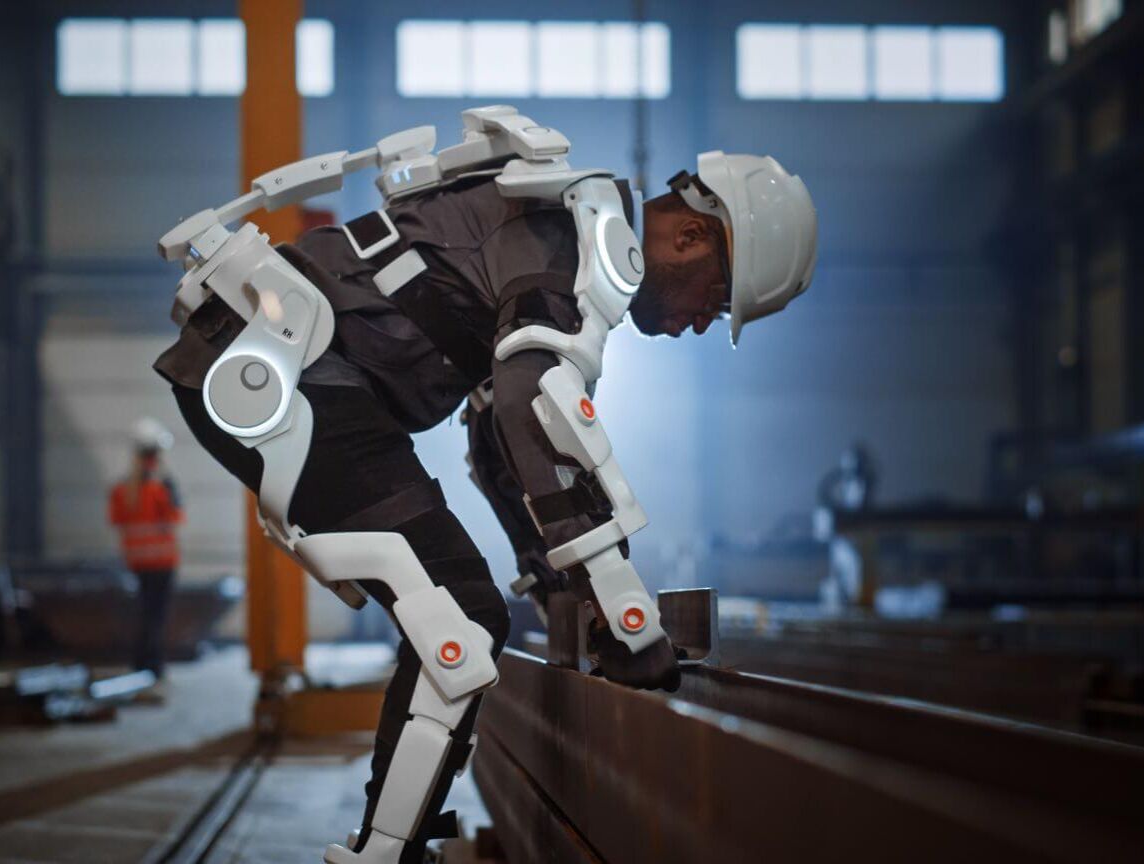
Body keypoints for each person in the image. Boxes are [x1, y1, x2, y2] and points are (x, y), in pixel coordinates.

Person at [153, 107, 816, 864]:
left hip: (290, 369)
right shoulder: (573, 240)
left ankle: (395, 832)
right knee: (460, 624)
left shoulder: (553, 221)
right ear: (692, 237)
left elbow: (495, 436)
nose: (703, 321)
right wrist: (625, 612)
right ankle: (383, 856)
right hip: (281, 374)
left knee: (456, 611)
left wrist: (558, 589)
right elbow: (533, 403)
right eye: (718, 297)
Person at [109, 417, 183, 682]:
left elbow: (117, 520)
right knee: (156, 618)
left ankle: (140, 664)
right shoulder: (160, 488)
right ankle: (153, 668)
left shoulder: (121, 489)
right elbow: (175, 518)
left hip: (136, 564)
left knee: (143, 616)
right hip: (162, 564)